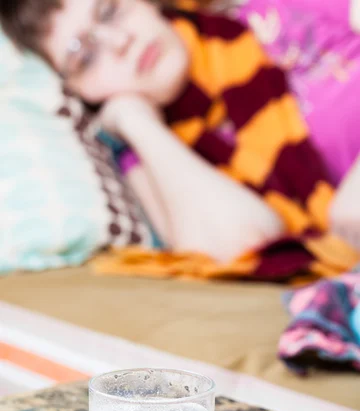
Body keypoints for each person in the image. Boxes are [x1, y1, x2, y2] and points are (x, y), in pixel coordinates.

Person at [0, 0, 359, 279]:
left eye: (110, 11)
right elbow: (246, 245)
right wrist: (136, 121)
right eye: (86, 57)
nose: (121, 42)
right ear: (77, 92)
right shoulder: (148, 161)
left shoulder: (279, 15)